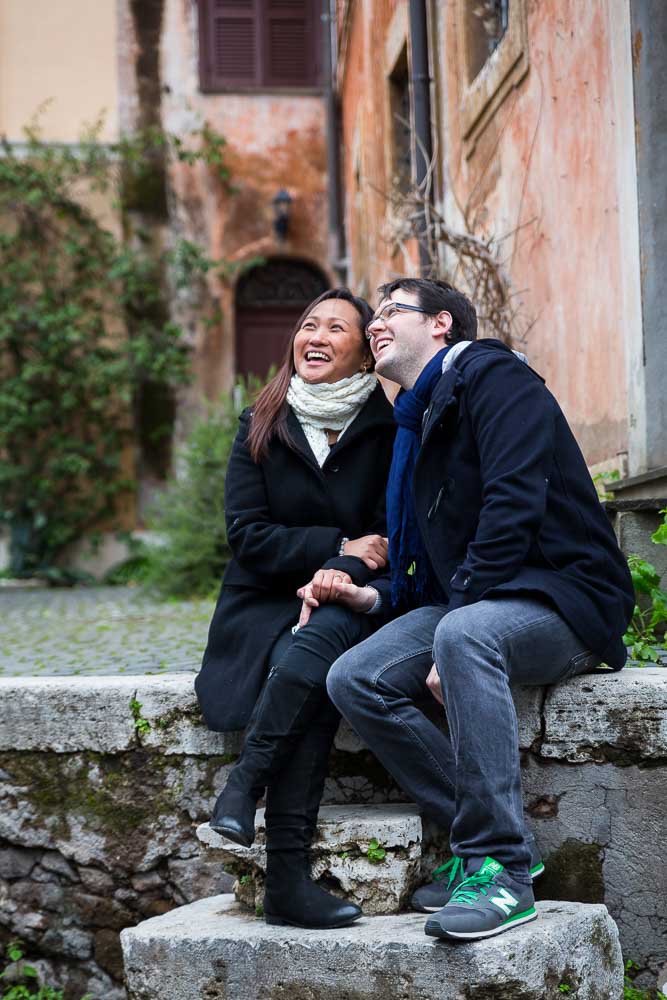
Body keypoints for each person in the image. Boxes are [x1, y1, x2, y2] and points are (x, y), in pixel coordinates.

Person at [300, 277, 634, 941]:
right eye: (377, 316)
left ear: (442, 325)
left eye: (392, 310)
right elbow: (428, 563)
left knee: (464, 635)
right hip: (482, 600)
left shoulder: (495, 377)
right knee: (353, 677)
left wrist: (458, 625)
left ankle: (500, 872)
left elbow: (513, 504)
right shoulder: (417, 418)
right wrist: (370, 595)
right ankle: (485, 837)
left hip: (567, 595)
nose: (375, 325)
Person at [195, 288, 396, 930]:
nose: (315, 336)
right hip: (263, 602)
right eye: (308, 324)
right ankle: (285, 879)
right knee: (303, 673)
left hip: (346, 597)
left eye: (336, 328)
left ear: (364, 355)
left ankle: (244, 790)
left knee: (311, 656)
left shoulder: (391, 429)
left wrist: (337, 574)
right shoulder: (260, 423)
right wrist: (336, 546)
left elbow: (389, 534)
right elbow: (247, 535)